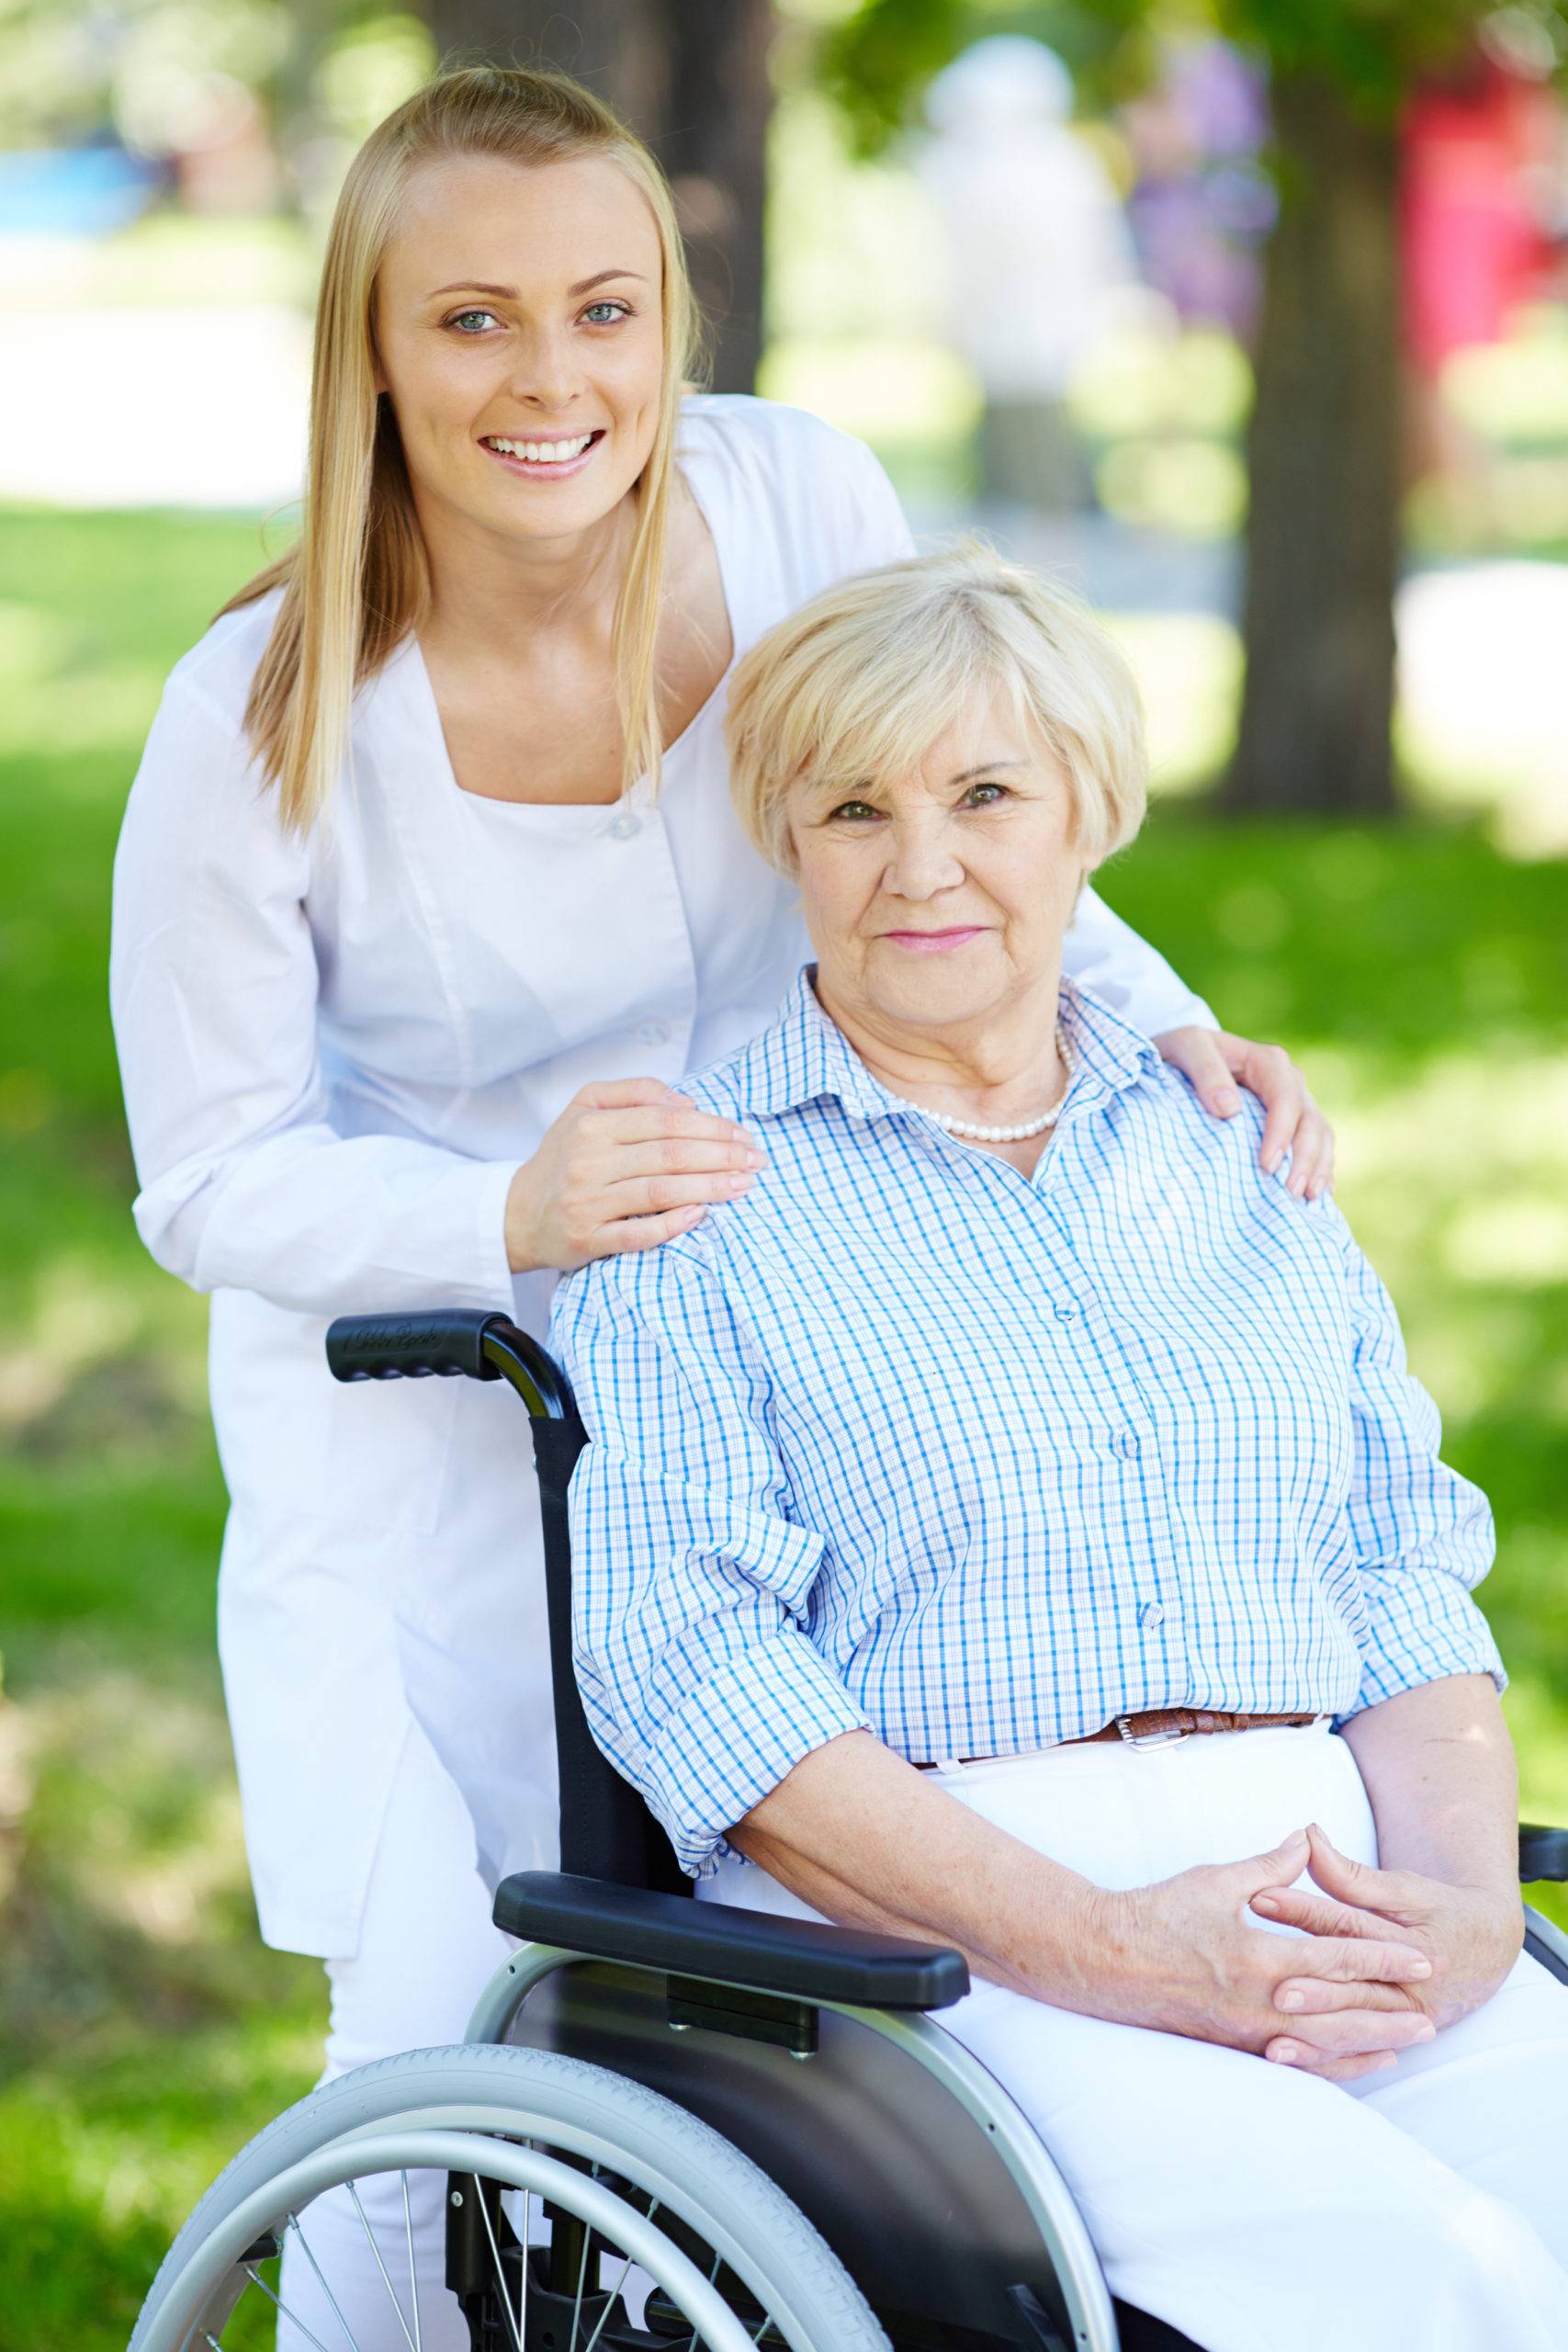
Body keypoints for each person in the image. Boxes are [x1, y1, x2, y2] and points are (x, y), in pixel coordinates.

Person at [110, 65, 1333, 2347]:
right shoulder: (259, 710)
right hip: (432, 1417)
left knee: (810, 1966)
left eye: (603, 308)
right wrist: (503, 1210)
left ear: (672, 315)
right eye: (469, 320)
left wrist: (1154, 1011)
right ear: (368, 352)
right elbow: (208, 1172)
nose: (551, 378)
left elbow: (946, 779)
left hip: (816, 1348)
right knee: (433, 2013)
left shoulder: (787, 499)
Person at [550, 547, 1568, 2352]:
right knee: (1426, 2289)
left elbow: (1399, 1571)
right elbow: (690, 1665)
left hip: (1343, 1888)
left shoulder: (1232, 1146)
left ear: (1086, 815)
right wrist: (1105, 1942)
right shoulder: (701, 1188)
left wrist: (1465, 1925)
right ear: (784, 836)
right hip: (956, 1947)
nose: (920, 862)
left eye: (984, 793)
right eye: (853, 805)